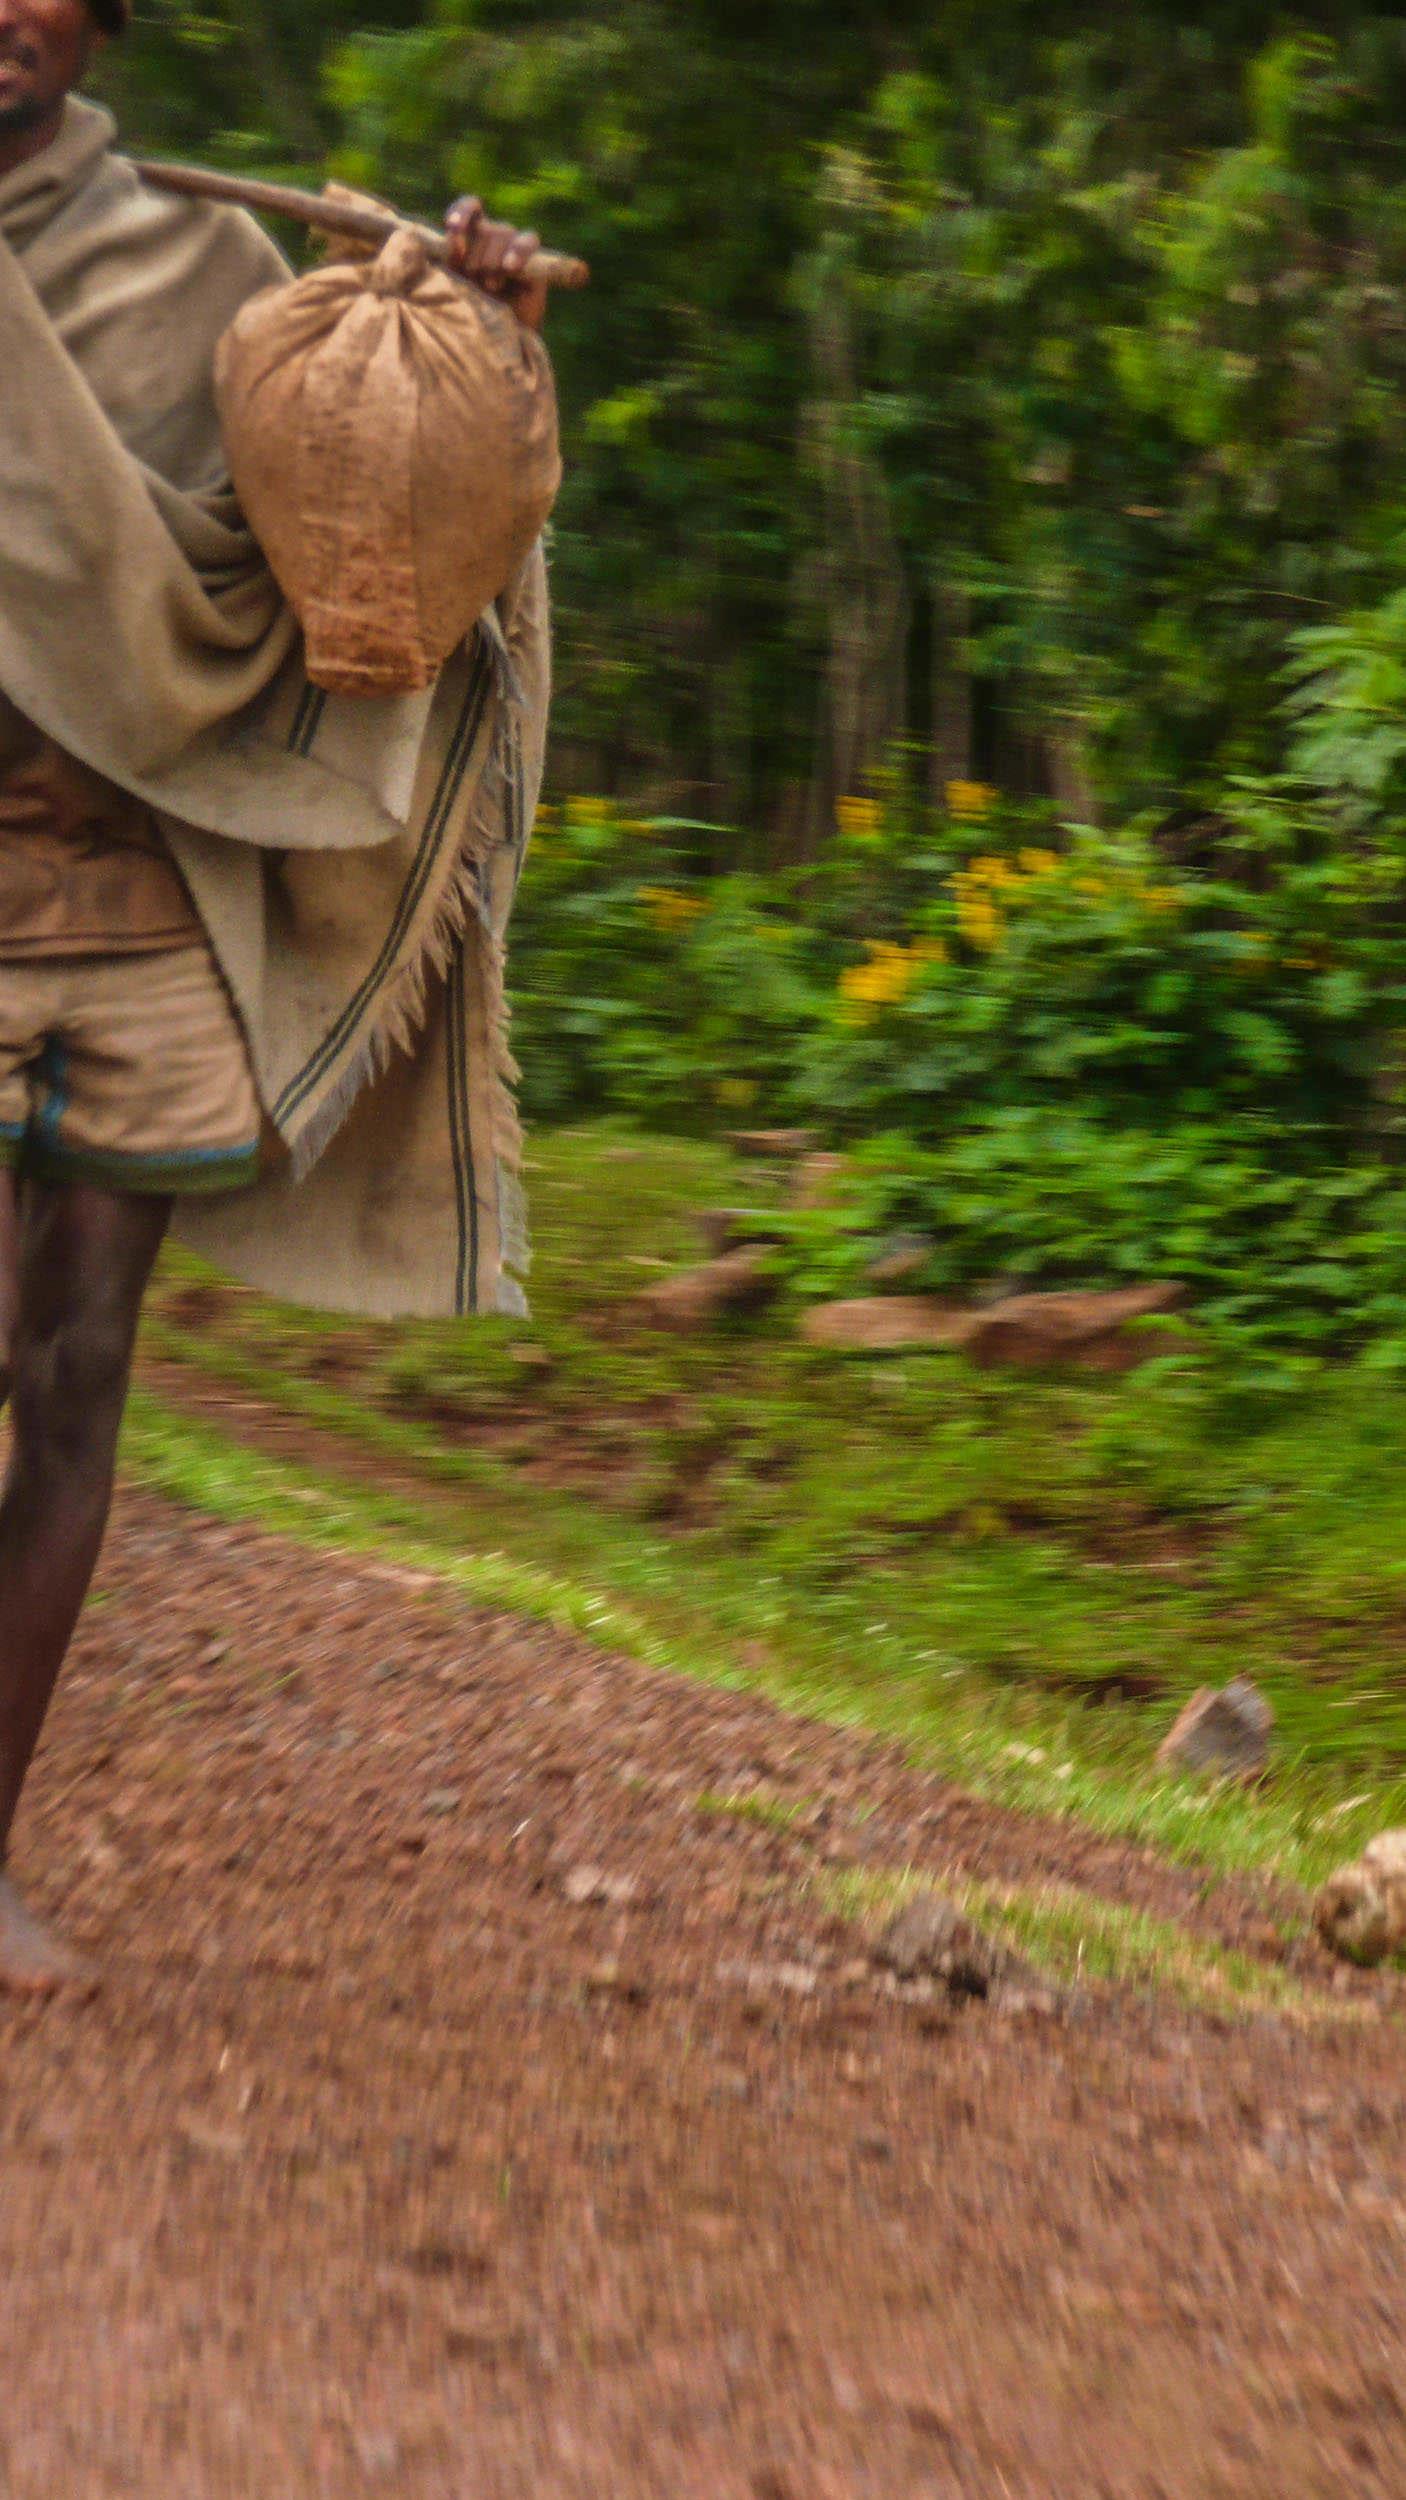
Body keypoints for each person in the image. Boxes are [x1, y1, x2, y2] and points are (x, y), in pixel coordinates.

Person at [0, 0, 554, 1995]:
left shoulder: (215, 272)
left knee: (73, 1366)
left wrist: (454, 336)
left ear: (101, 21)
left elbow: (379, 518)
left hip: (138, 891)